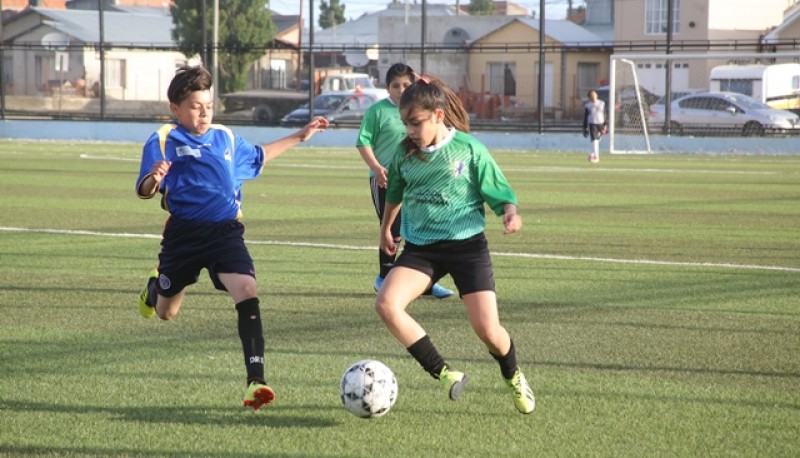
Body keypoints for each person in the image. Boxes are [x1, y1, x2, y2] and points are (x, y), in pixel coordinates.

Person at [135, 65, 328, 411]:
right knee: (166, 313)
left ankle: (256, 381)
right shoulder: (163, 139)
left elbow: (258, 156)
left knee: (247, 290)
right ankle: (155, 289)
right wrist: (154, 176)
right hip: (183, 236)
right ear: (176, 109)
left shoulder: (224, 137)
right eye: (195, 105)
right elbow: (146, 191)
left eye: (208, 104)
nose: (204, 111)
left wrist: (299, 136)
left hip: (226, 233)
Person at [374, 74, 535, 415]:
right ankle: (445, 374)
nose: (410, 131)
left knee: (488, 330)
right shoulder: (404, 155)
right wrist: (386, 229)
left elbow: (501, 191)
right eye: (405, 124)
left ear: (438, 116)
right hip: (421, 249)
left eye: (415, 123)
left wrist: (510, 213)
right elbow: (395, 195)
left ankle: (513, 374)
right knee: (387, 304)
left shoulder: (469, 150)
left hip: (467, 247)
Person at [356, 63, 453, 299]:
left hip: (417, 178)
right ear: (387, 88)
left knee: (421, 228)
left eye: (406, 85)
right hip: (386, 179)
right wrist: (377, 168)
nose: (401, 89)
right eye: (395, 85)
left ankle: (425, 283)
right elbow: (363, 142)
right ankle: (384, 276)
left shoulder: (422, 111)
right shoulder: (377, 111)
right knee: (393, 228)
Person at [583, 89, 607, 163]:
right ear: (589, 97)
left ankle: (592, 154)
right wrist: (585, 128)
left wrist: (605, 124)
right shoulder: (588, 105)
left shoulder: (602, 103)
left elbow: (605, 114)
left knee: (598, 140)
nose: (594, 96)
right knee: (595, 141)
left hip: (601, 124)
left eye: (595, 94)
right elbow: (585, 117)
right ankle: (596, 157)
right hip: (592, 124)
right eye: (592, 95)